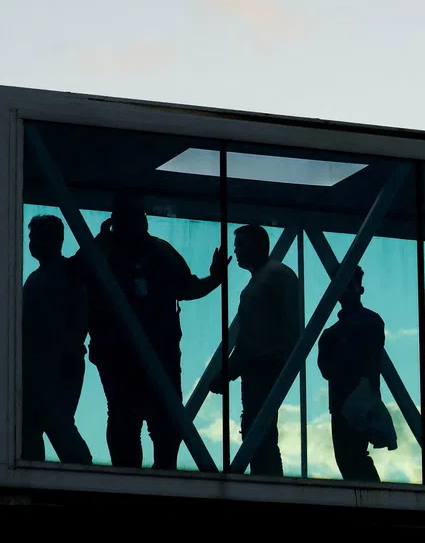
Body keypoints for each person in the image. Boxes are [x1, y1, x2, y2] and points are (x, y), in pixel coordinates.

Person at [85, 194, 226, 470]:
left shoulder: (113, 252)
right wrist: (215, 279)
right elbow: (187, 288)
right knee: (148, 420)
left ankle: (140, 478)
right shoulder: (145, 252)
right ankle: (152, 478)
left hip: (131, 352)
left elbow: (186, 287)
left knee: (139, 420)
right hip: (137, 352)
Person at [211, 225, 300, 476]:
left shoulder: (267, 279)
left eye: (241, 244)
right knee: (261, 429)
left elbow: (253, 338)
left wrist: (228, 371)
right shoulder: (273, 276)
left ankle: (267, 482)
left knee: (258, 429)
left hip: (263, 364)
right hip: (266, 363)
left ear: (259, 246)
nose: (236, 251)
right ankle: (268, 480)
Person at [22, 215, 92, 465]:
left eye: (36, 237)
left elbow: (77, 317)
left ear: (53, 240)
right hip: (40, 365)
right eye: (30, 238)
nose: (31, 243)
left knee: (56, 421)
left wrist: (69, 352)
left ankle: (82, 475)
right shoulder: (39, 277)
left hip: (60, 362)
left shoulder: (67, 273)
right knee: (32, 424)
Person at [317, 266, 385, 483]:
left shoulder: (335, 332)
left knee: (351, 457)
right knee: (352, 457)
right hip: (352, 399)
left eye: (349, 285)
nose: (346, 291)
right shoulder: (366, 323)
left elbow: (329, 369)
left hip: (351, 399)